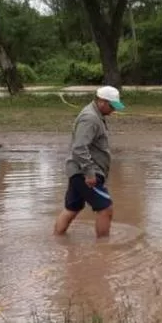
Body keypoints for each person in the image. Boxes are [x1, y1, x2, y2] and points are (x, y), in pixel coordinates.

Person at [53, 86, 125, 239]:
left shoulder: (95, 115)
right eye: (112, 106)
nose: (114, 110)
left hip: (77, 170)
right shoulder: (90, 118)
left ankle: (57, 239)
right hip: (84, 173)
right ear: (101, 102)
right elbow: (79, 147)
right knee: (106, 208)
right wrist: (90, 173)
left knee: (72, 208)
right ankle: (103, 249)